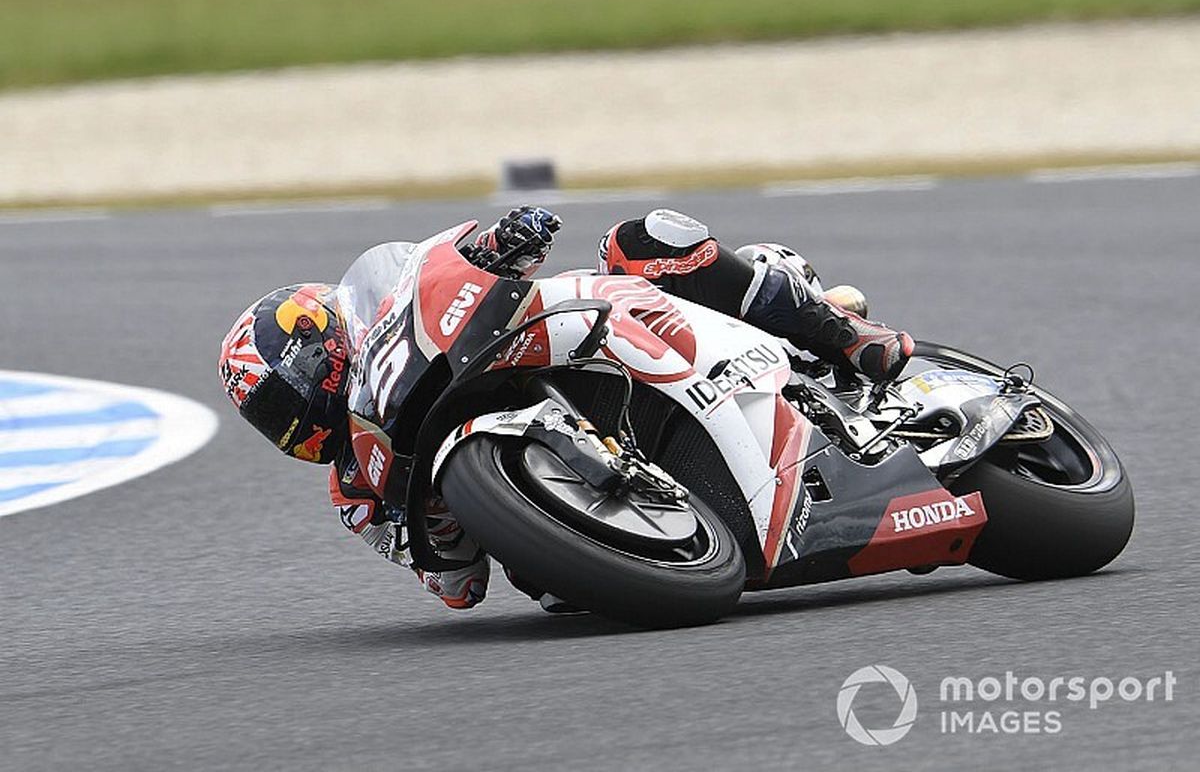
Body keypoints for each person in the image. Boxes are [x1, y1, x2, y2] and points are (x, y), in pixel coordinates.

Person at [217, 207, 912, 611]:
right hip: (599, 548)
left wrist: (503, 240)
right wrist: (431, 514)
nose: (293, 420)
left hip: (560, 339)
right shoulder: (354, 492)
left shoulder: (397, 331)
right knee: (552, 599)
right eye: (273, 419)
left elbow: (452, 267)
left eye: (288, 394)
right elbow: (457, 588)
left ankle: (848, 338)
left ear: (322, 340)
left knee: (644, 238)